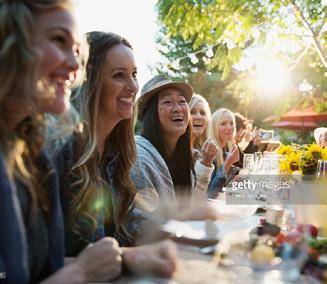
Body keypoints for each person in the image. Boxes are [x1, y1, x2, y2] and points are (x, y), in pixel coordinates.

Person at [0, 1, 132, 283]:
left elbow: (39, 266)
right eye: (58, 40)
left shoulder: (29, 153)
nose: (75, 65)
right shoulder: (57, 150)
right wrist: (82, 272)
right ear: (8, 39)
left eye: (75, 51)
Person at [54, 32, 176, 279]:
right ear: (88, 82)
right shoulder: (59, 153)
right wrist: (127, 256)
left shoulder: (117, 156)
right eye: (119, 75)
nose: (132, 86)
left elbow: (125, 236)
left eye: (134, 74)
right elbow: (25, 266)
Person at [130, 75, 218, 222]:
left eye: (182, 101)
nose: (177, 108)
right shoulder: (140, 159)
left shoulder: (182, 156)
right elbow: (139, 228)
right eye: (168, 102)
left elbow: (190, 205)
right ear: (151, 114)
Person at [207, 108, 240, 198]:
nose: (229, 127)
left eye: (231, 123)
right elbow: (210, 193)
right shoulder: (210, 150)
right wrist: (228, 163)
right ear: (214, 127)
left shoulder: (225, 148)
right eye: (223, 124)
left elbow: (222, 185)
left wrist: (233, 177)